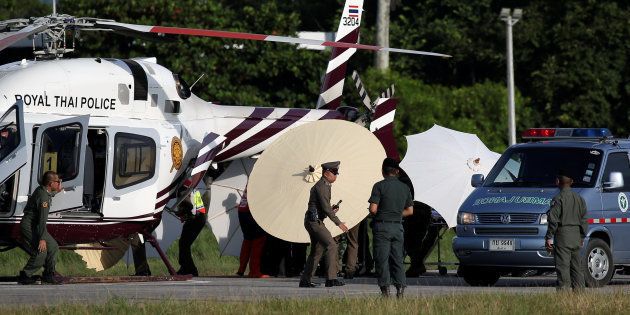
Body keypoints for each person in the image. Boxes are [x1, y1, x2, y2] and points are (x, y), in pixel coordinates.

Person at [299, 161, 349, 288]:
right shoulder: (321, 186)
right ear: (326, 174)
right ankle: (331, 278)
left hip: (315, 220)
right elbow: (325, 208)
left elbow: (324, 207)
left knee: (317, 250)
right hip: (315, 222)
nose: (336, 176)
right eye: (334, 173)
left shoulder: (325, 185)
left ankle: (305, 280)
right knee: (332, 245)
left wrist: (331, 210)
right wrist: (338, 223)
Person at [369, 158, 413, 298]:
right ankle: (400, 289)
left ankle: (385, 291)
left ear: (383, 171)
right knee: (397, 259)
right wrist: (395, 214)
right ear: (397, 171)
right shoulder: (405, 187)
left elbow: (373, 209)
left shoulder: (379, 186)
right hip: (398, 227)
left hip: (382, 227)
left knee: (382, 259)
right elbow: (410, 211)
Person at [18, 171, 63, 285]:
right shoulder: (44, 198)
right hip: (30, 226)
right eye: (58, 182)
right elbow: (42, 220)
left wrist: (56, 191)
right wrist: (42, 239)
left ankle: (49, 274)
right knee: (41, 251)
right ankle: (26, 275)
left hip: (36, 225)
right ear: (51, 183)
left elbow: (48, 194)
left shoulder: (42, 190)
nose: (59, 183)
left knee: (53, 246)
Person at [545, 171, 588, 291]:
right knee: (577, 268)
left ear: (558, 182)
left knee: (563, 266)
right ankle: (580, 293)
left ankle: (563, 293)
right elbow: (584, 219)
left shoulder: (558, 199)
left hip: (563, 236)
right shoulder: (580, 199)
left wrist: (549, 237)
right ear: (572, 182)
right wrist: (581, 236)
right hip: (576, 236)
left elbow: (553, 220)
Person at [176, 179, 207, 276]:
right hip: (199, 217)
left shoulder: (182, 188)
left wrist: (181, 212)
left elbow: (189, 205)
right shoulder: (190, 185)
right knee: (184, 244)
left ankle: (191, 270)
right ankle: (185, 267)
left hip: (195, 218)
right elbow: (196, 205)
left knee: (184, 244)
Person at [236, 189, 270, 278]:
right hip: (251, 212)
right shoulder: (261, 180)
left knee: (248, 240)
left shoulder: (251, 179)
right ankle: (254, 271)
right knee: (258, 240)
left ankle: (241, 269)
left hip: (242, 211)